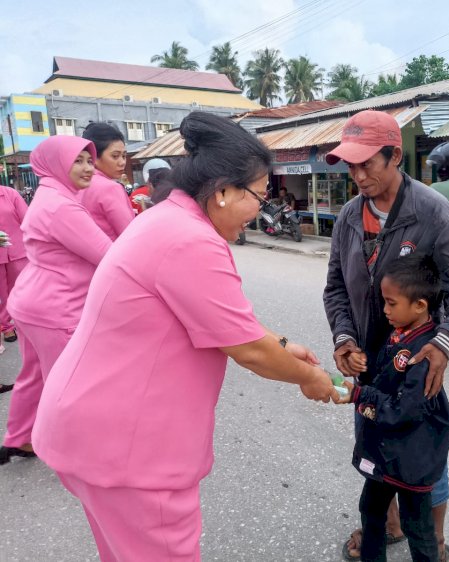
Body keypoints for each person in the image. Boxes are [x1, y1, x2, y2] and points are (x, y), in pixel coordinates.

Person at [30, 112, 339, 561]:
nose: (262, 210)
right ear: (222, 192)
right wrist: (309, 378)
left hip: (91, 432)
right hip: (130, 454)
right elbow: (249, 349)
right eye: (259, 194)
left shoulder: (167, 219)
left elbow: (227, 319)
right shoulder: (190, 240)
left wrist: (286, 344)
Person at [323, 110, 449, 562]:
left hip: (419, 356)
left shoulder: (432, 211)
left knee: (420, 449)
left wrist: (445, 342)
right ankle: (389, 525)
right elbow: (336, 285)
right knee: (375, 436)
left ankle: (434, 539)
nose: (357, 174)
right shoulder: (350, 215)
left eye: (366, 163)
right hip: (369, 358)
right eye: (350, 165)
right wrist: (344, 339)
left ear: (395, 156)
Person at [0, 136, 112, 465]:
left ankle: (20, 438)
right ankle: (74, 453)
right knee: (70, 383)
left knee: (35, 374)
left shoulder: (51, 194)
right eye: (76, 160)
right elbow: (109, 256)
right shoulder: (61, 205)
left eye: (89, 160)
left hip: (32, 302)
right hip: (56, 308)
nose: (87, 168)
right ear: (55, 163)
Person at [338, 253, 449, 562]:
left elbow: (404, 410)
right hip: (385, 454)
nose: (385, 310)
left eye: (391, 303)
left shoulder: (425, 352)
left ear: (420, 305)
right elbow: (388, 375)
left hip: (411, 458)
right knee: (371, 511)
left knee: (418, 527)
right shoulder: (400, 332)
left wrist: (360, 396)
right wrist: (366, 366)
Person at [80, 123, 134, 239]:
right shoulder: (110, 188)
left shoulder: (78, 184)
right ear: (95, 157)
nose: (122, 162)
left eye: (124, 156)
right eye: (115, 156)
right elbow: (129, 233)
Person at [0, 184, 29, 342]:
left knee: (20, 289)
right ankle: (6, 326)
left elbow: (27, 219)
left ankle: (23, 321)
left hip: (17, 251)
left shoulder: (10, 194)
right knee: (1, 293)